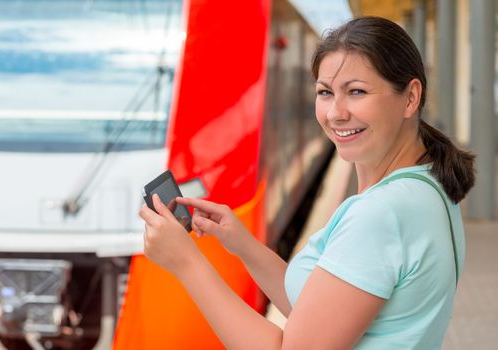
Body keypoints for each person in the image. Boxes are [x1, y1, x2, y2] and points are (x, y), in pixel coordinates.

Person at [139, 16, 475, 349]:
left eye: (356, 92)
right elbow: (321, 315)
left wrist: (187, 264)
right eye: (325, 92)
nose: (335, 113)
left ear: (410, 97)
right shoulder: (429, 187)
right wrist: (240, 243)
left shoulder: (381, 214)